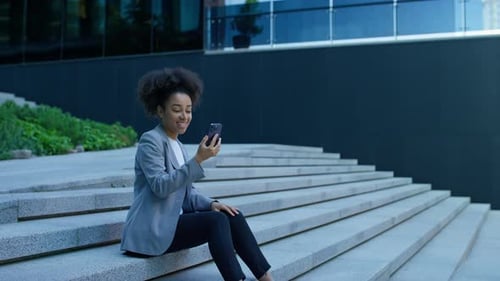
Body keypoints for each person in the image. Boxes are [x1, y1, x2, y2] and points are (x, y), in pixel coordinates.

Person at [120, 67, 273, 281]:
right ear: (160, 110)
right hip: (152, 230)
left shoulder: (179, 146)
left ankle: (267, 278)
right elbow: (161, 187)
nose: (184, 116)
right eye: (176, 109)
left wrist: (211, 203)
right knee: (216, 222)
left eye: (188, 110)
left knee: (231, 214)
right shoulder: (150, 141)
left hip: (173, 223)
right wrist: (198, 159)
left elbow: (187, 194)